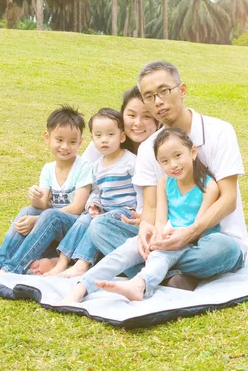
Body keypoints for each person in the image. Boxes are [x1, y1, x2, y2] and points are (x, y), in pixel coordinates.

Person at [86, 61, 248, 290]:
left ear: (182, 90)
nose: (158, 102)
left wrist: (189, 233)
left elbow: (228, 199)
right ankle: (174, 276)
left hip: (213, 238)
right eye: (149, 96)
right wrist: (145, 229)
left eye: (164, 91)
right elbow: (150, 208)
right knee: (100, 227)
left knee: (223, 249)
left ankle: (156, 272)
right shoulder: (148, 148)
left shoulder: (220, 131)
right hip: (167, 236)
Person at [63, 128, 221, 302]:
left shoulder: (209, 186)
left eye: (178, 156)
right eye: (165, 161)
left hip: (191, 241)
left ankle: (139, 284)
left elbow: (198, 227)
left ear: (192, 152)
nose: (173, 165)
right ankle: (82, 286)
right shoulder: (163, 183)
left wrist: (170, 241)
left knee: (162, 256)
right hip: (166, 236)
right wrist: (157, 237)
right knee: (126, 250)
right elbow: (160, 220)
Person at [29, 86, 158, 275]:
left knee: (98, 226)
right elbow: (89, 184)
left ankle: (79, 263)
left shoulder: (157, 149)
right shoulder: (103, 143)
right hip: (100, 211)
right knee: (79, 219)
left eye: (146, 116)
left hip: (137, 220)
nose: (138, 123)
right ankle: (58, 260)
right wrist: (90, 205)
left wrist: (144, 218)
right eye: (131, 115)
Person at [0, 105, 93, 275]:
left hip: (74, 227)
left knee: (50, 215)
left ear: (80, 142)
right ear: (47, 138)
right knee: (27, 210)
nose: (65, 146)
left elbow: (77, 208)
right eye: (59, 140)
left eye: (72, 142)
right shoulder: (48, 169)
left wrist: (37, 220)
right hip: (50, 224)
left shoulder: (84, 167)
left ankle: (12, 268)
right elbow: (42, 204)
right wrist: (35, 197)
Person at [42, 108, 137, 277]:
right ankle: (62, 261)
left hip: (125, 210)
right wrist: (93, 204)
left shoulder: (130, 162)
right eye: (98, 136)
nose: (104, 140)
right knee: (83, 220)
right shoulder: (96, 165)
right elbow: (96, 191)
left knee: (96, 223)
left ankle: (82, 263)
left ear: (122, 136)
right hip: (104, 209)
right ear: (92, 139)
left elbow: (141, 190)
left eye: (110, 135)